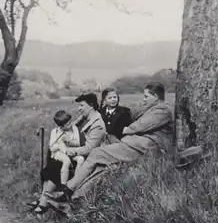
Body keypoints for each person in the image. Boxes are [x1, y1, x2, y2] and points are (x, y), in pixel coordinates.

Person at [45, 82, 174, 204]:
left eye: (146, 96)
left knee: (96, 153)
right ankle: (73, 197)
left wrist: (125, 130)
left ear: (156, 97)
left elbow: (137, 127)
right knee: (102, 167)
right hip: (138, 145)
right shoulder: (156, 108)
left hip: (144, 147)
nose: (144, 99)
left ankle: (66, 190)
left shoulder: (162, 110)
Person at [28, 92, 107, 216]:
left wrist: (66, 151)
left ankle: (44, 203)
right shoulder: (87, 117)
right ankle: (43, 201)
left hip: (88, 157)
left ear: (91, 106)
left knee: (55, 166)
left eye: (81, 105)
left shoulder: (98, 124)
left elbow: (89, 148)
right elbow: (69, 125)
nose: (79, 108)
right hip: (77, 152)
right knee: (54, 162)